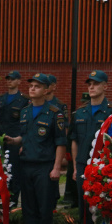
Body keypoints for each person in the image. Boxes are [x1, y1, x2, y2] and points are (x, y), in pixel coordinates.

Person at [5, 73, 66, 224]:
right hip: (26, 165)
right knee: (29, 207)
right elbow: (26, 136)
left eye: (37, 86)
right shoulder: (25, 111)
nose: (32, 89)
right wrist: (14, 141)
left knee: (44, 207)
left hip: (44, 167)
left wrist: (57, 168)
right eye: (31, 86)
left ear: (47, 90)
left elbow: (60, 143)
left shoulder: (55, 113)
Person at [70, 71, 112, 224]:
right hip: (82, 167)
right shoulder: (79, 113)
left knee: (101, 209)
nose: (91, 87)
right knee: (85, 210)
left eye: (96, 84)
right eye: (89, 83)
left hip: (102, 168)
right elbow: (74, 141)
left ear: (105, 86)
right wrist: (74, 166)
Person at [0, 71, 29, 206]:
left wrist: (22, 141)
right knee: (1, 167)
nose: (9, 81)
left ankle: (14, 199)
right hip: (2, 137)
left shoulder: (24, 100)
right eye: (8, 79)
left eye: (12, 79)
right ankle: (1, 196)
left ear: (19, 81)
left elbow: (24, 122)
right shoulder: (1, 98)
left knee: (14, 169)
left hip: (15, 138)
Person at [45, 74, 72, 206]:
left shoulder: (60, 105)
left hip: (54, 147)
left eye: (48, 84)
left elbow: (64, 130)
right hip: (40, 146)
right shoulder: (33, 103)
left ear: (54, 86)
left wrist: (63, 153)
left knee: (53, 176)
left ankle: (54, 202)